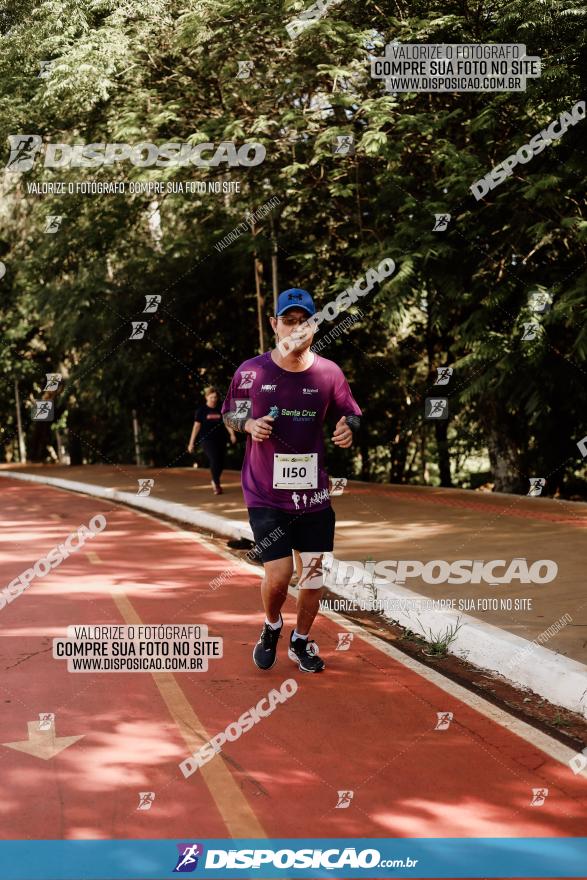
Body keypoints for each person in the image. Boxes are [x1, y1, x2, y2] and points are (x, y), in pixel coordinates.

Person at [222, 288, 361, 672]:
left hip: (314, 496)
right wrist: (248, 424)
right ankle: (271, 625)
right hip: (265, 493)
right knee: (280, 574)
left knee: (313, 579)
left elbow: (352, 413)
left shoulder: (329, 372)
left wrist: (348, 427)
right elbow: (231, 414)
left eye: (305, 322)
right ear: (274, 325)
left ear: (315, 326)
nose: (297, 329)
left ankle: (300, 640)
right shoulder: (252, 371)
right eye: (289, 321)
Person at [188, 386, 236, 495]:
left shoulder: (220, 409)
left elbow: (226, 422)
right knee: (214, 459)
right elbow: (196, 427)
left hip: (221, 439)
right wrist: (191, 443)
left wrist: (232, 434)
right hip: (207, 440)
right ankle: (216, 483)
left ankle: (215, 479)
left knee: (221, 462)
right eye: (211, 397)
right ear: (206, 397)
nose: (214, 399)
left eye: (215, 397)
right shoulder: (201, 411)